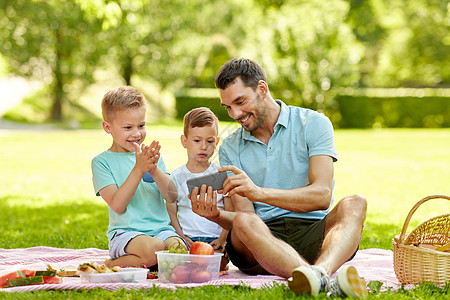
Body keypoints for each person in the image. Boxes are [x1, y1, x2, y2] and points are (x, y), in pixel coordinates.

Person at [189, 58, 368, 298]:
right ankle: (319, 279)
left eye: (240, 102)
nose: (236, 114)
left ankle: (319, 275)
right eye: (228, 107)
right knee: (243, 221)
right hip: (261, 242)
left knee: (355, 203)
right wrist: (217, 215)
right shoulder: (231, 146)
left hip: (313, 232)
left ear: (262, 89)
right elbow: (247, 219)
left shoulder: (314, 124)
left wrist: (259, 192)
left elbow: (322, 196)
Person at [91, 86, 186, 269]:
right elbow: (118, 205)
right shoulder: (101, 162)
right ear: (107, 127)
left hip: (162, 230)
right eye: (128, 127)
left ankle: (153, 262)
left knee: (180, 252)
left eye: (141, 126)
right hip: (126, 234)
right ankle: (114, 263)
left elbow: (172, 196)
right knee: (155, 250)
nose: (136, 133)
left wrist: (154, 169)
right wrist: (139, 169)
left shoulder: (150, 158)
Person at [167, 107, 233, 269]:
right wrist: (180, 236)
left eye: (210, 141)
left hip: (215, 240)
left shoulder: (220, 175)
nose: (204, 147)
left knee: (218, 266)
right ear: (185, 141)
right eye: (197, 141)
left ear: (216, 142)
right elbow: (170, 212)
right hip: (187, 239)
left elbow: (230, 211)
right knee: (177, 262)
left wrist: (223, 238)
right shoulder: (175, 176)